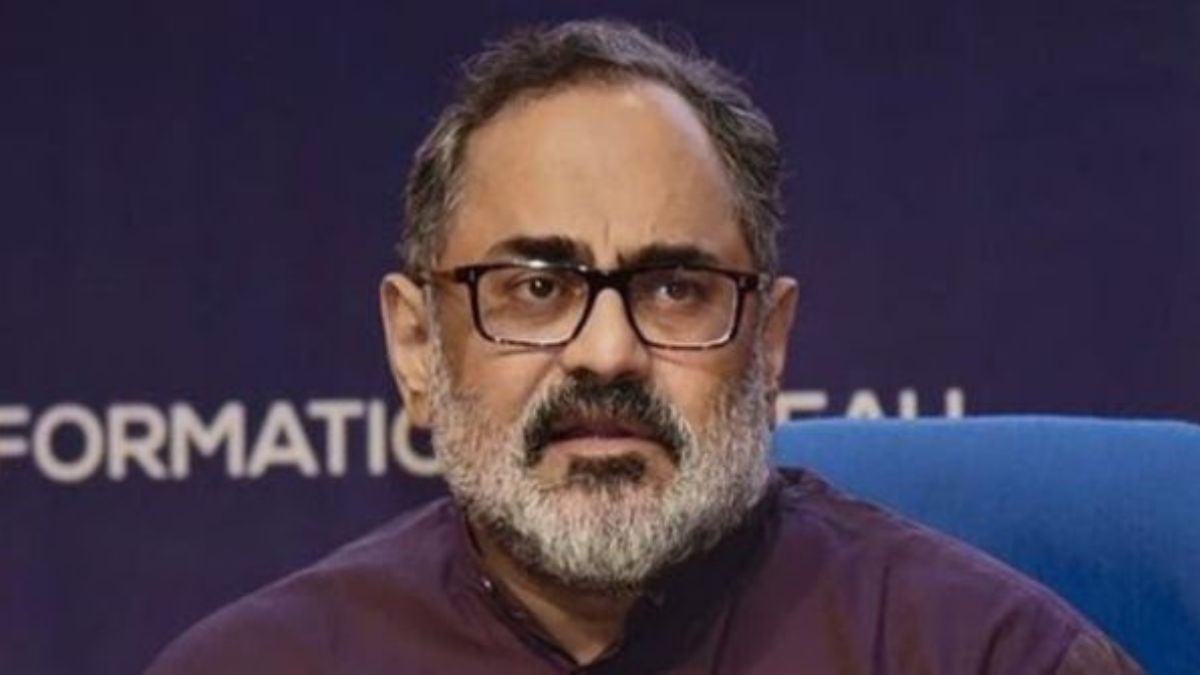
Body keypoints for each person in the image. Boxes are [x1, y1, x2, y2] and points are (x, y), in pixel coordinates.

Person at [148, 19, 1142, 674]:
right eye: (538, 287)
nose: (607, 352)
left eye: (674, 289)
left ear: (769, 344)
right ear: (416, 346)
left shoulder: (984, 653)